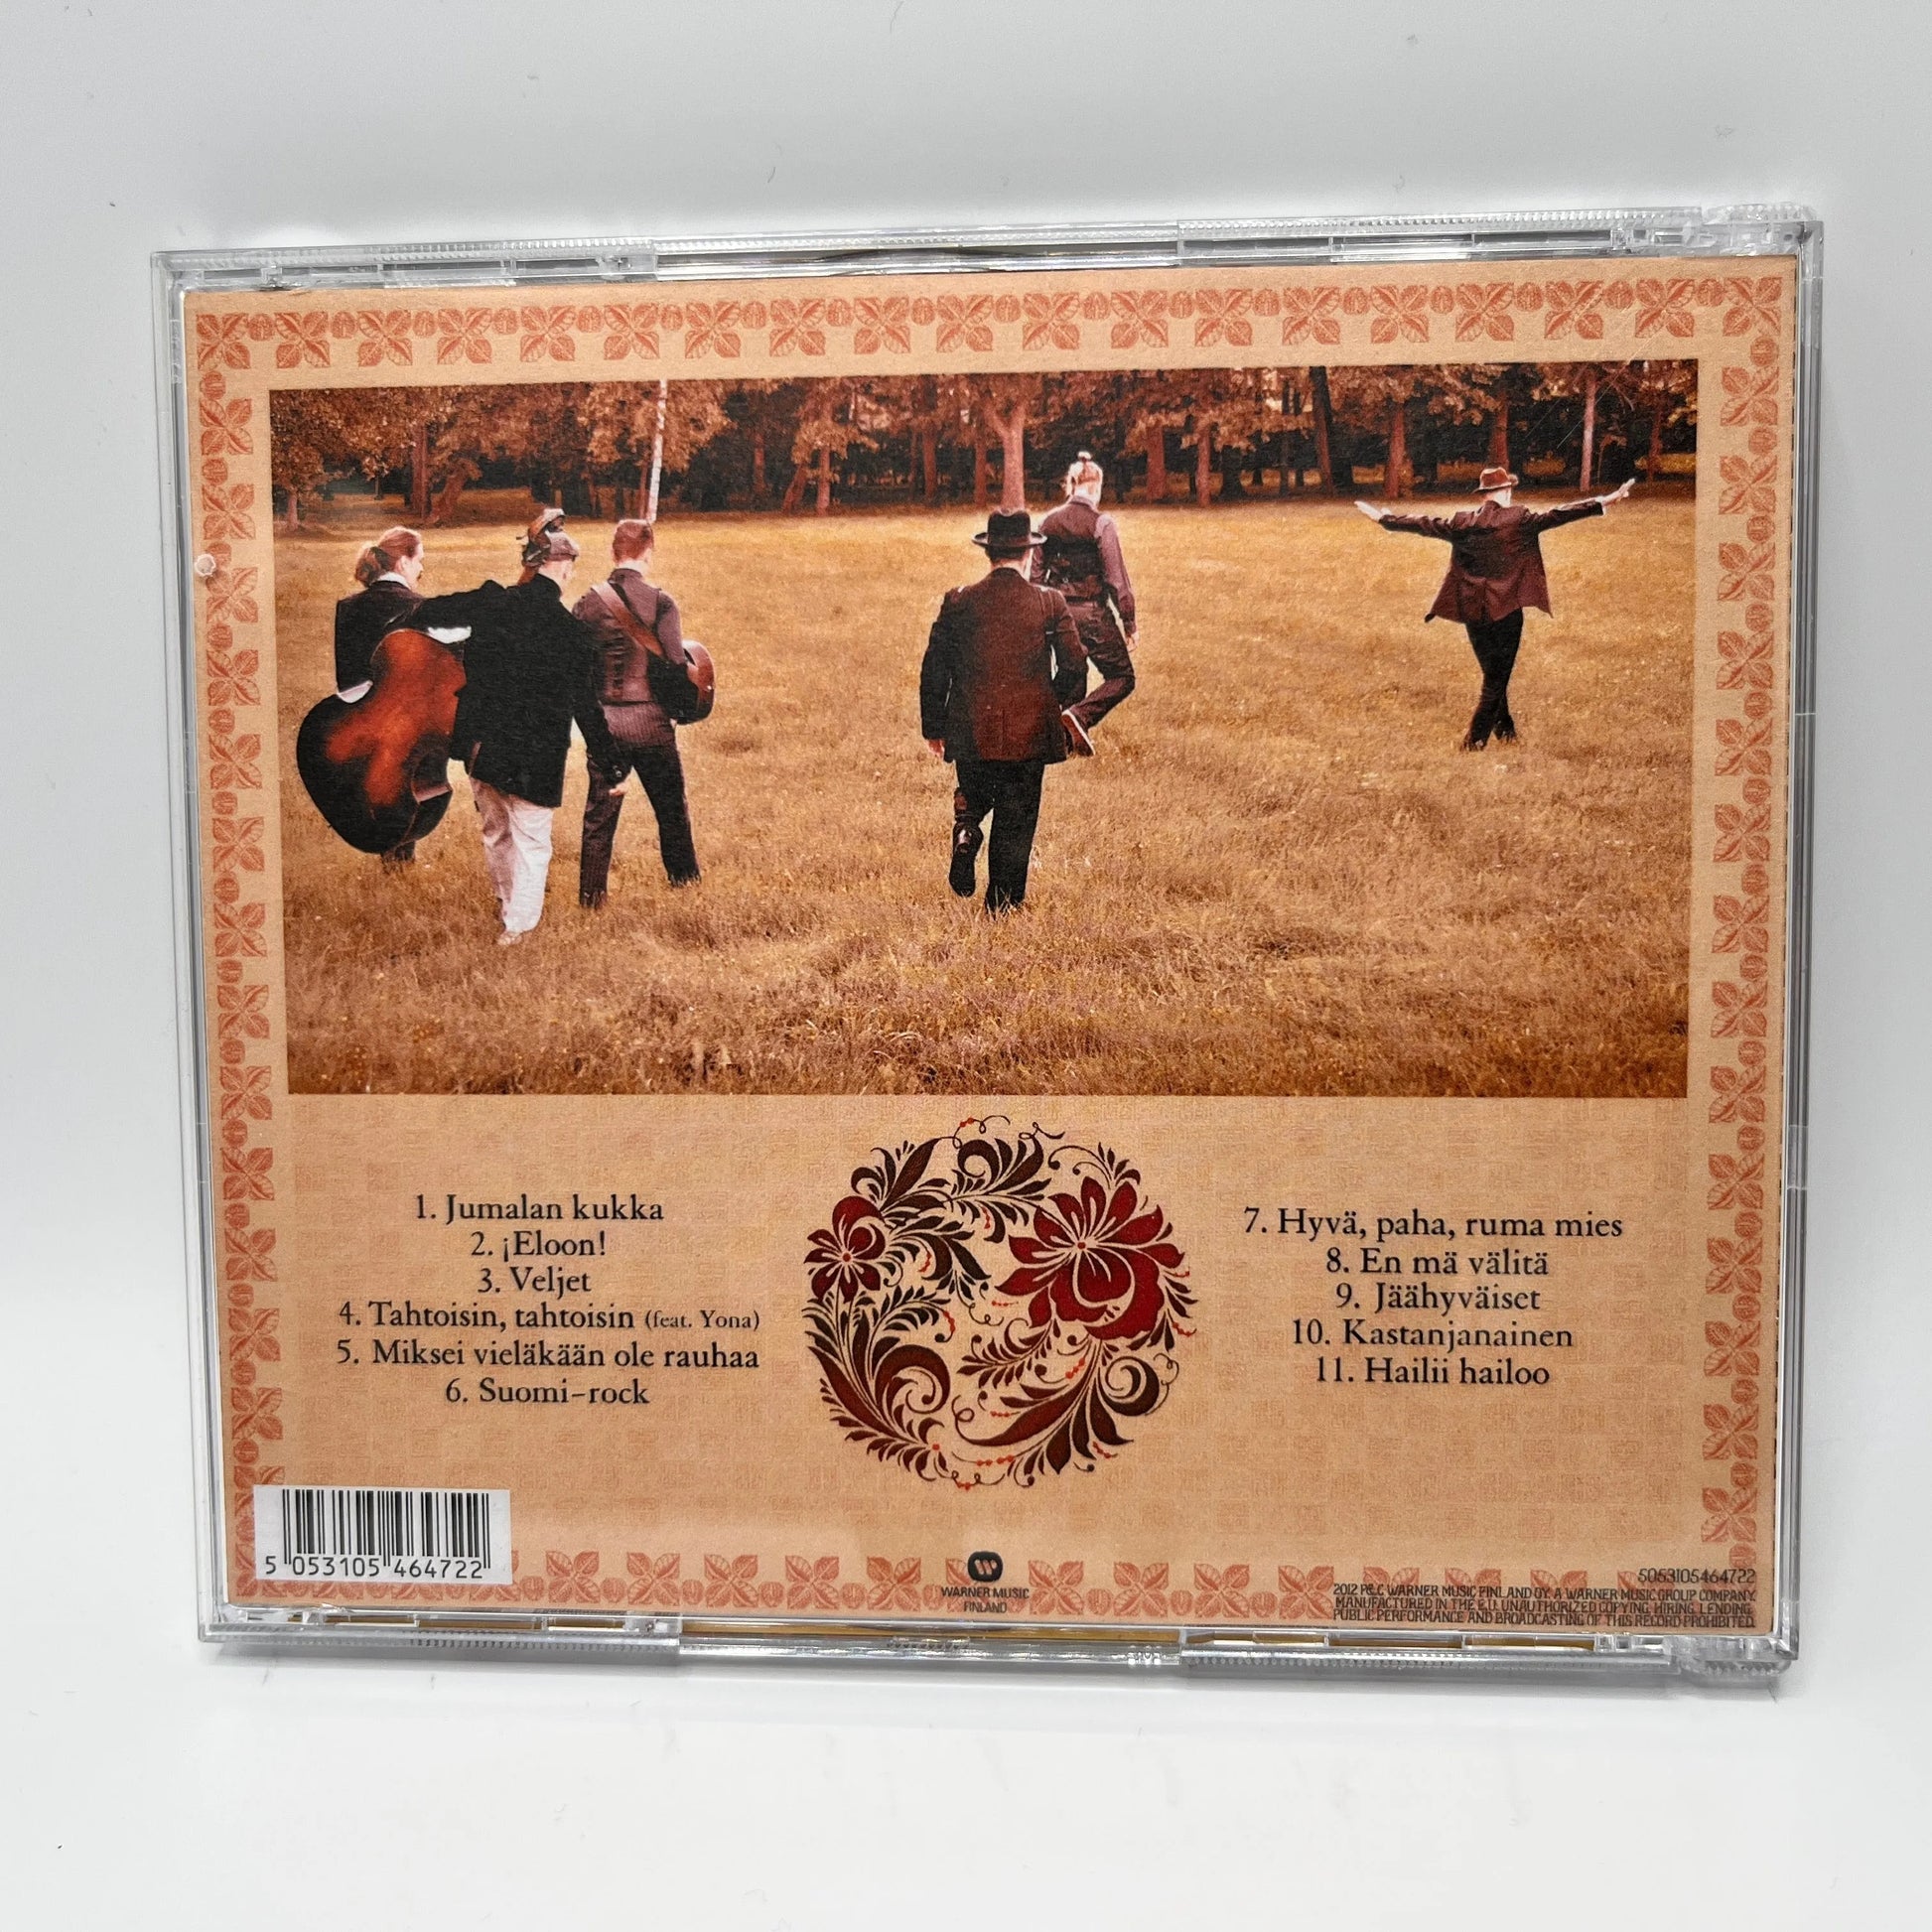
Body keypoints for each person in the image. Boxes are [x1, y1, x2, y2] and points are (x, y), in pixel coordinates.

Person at [410, 512, 623, 945]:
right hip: (535, 757)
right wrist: (613, 764)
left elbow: (426, 613)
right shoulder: (571, 633)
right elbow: (587, 710)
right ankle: (519, 929)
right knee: (532, 842)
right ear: (563, 567)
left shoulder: (492, 602)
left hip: (481, 747)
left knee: (497, 833)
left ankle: (509, 909)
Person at [1358, 469, 1635, 750]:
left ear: (1484, 495)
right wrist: (1604, 500)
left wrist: (1386, 519)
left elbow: (1425, 524)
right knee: (1495, 679)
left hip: (1473, 611)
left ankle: (1506, 730)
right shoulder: (1520, 519)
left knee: (1493, 673)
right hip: (1506, 611)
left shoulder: (1462, 522)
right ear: (1507, 491)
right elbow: (1559, 514)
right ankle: (1474, 742)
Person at [919, 508, 1082, 914]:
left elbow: (934, 668)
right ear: (1028, 554)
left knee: (975, 792)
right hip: (1030, 735)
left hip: (970, 729)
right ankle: (1001, 906)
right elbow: (1075, 667)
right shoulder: (1050, 602)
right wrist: (1050, 705)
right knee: (1016, 817)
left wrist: (934, 727)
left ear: (989, 553)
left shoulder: (958, 600)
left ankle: (966, 830)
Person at [572, 519, 703, 907]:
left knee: (599, 816)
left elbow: (578, 669)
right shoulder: (661, 602)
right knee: (670, 808)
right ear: (648, 551)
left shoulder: (587, 603)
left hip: (605, 723)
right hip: (650, 722)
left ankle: (591, 898)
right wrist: (674, 712)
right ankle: (684, 883)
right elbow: (675, 665)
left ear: (613, 552)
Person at [1033, 451, 1137, 754]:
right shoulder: (1101, 523)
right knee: (1122, 677)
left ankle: (1062, 742)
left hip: (1056, 613)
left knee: (1074, 672)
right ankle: (1079, 716)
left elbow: (1034, 577)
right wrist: (1129, 622)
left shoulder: (1046, 522)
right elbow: (1117, 579)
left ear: (1072, 484)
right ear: (1096, 486)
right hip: (1091, 612)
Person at [333, 527, 426, 862]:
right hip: (404, 718)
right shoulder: (418, 606)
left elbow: (346, 674)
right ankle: (399, 858)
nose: (421, 569)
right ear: (402, 562)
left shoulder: (348, 607)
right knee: (405, 790)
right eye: (419, 560)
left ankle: (391, 856)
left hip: (359, 713)